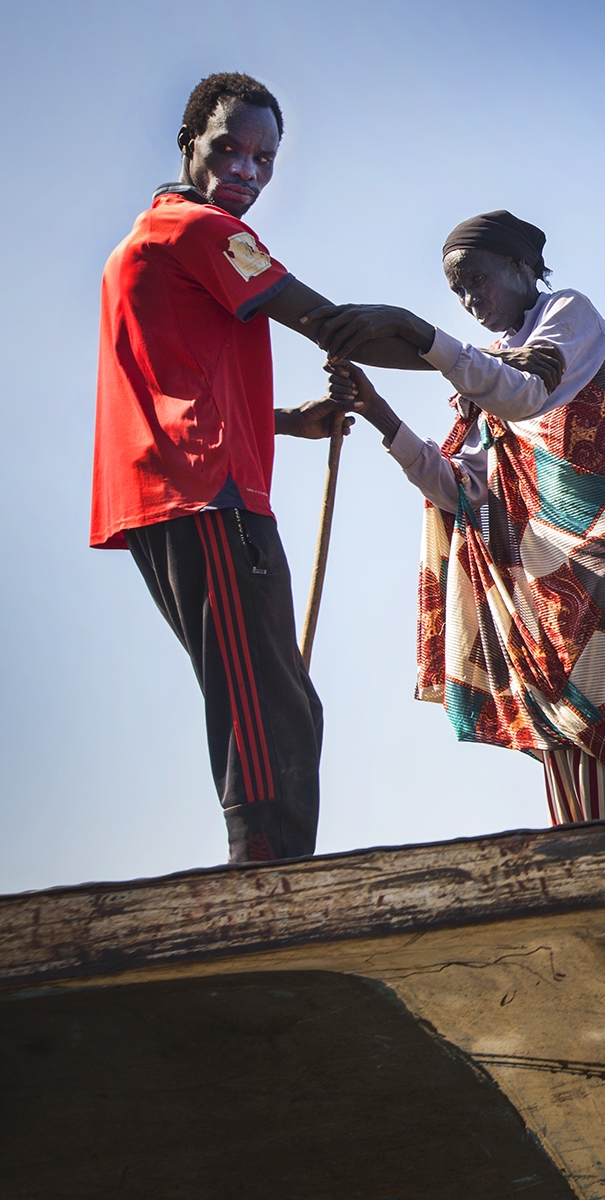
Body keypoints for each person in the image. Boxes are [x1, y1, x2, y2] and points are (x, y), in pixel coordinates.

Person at [92, 74, 435, 863]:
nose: (245, 171)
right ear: (189, 146)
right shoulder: (205, 233)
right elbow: (334, 326)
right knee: (265, 712)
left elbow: (168, 387)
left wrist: (287, 423)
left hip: (175, 498)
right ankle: (265, 886)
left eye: (264, 159)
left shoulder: (140, 243)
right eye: (228, 150)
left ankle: (277, 873)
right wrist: (473, 364)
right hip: (209, 502)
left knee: (280, 702)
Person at [321, 211, 605, 823]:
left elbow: (527, 389)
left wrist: (418, 331)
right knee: (567, 746)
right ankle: (595, 879)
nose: (468, 300)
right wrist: (379, 414)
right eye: (456, 292)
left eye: (476, 280)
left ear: (520, 268)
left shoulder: (567, 317)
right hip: (544, 581)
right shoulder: (485, 367)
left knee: (599, 728)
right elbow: (460, 491)